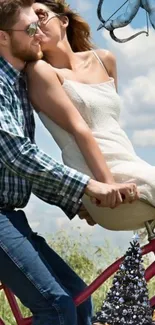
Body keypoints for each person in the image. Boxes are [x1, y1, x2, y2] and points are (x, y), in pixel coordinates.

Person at [0, 1, 138, 325]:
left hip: (11, 218)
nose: (38, 34)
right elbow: (18, 156)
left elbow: (24, 175)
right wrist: (89, 185)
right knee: (57, 308)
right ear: (4, 38)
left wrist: (77, 202)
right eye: (30, 28)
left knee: (79, 301)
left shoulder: (19, 85)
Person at [26, 0, 155, 232]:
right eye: (29, 23)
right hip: (102, 179)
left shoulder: (104, 60)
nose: (35, 24)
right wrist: (108, 185)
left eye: (41, 15)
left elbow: (111, 126)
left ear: (63, 20)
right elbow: (80, 130)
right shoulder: (40, 71)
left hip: (130, 163)